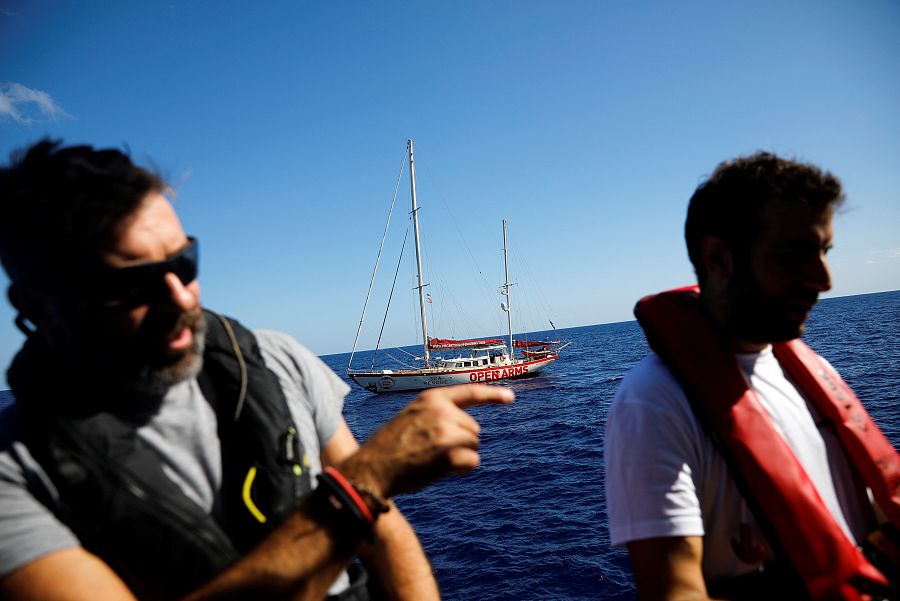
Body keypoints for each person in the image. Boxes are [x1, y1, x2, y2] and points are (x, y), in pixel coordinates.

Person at [0, 139, 514, 601]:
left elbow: (385, 531)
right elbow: (369, 497)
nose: (181, 298)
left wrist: (367, 491)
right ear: (37, 306)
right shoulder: (15, 475)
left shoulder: (276, 360)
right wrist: (365, 481)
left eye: (184, 263)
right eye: (132, 283)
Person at [604, 152, 900, 600]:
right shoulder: (654, 403)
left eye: (823, 252)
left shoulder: (812, 372)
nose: (824, 280)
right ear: (718, 258)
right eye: (794, 255)